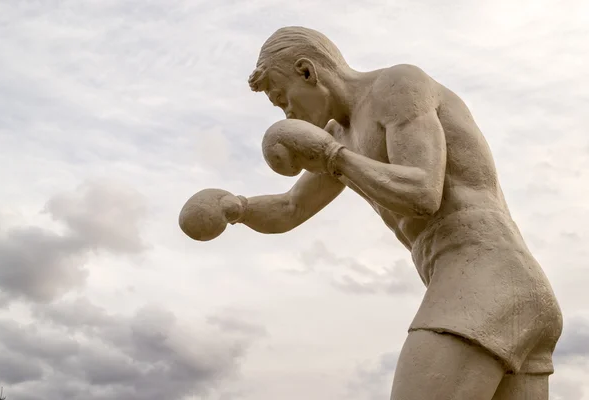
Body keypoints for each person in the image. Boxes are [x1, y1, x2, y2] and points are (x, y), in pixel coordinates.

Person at [179, 26, 562, 400]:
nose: (286, 113)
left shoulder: (396, 86)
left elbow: (422, 191)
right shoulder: (341, 137)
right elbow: (289, 208)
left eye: (283, 99)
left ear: (307, 71)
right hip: (509, 292)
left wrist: (333, 159)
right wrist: (238, 208)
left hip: (487, 277)